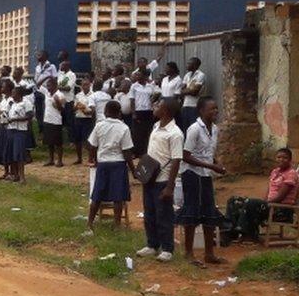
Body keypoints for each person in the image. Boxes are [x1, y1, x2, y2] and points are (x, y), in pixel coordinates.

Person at [176, 97, 227, 267]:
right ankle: (189, 253)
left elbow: (209, 151)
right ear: (201, 111)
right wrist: (211, 165)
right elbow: (186, 155)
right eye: (211, 109)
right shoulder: (194, 129)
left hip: (206, 174)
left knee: (209, 210)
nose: (215, 112)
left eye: (216, 109)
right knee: (192, 210)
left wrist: (216, 163)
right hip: (192, 173)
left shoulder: (215, 129)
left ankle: (209, 253)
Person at [136, 98, 184, 263]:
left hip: (163, 180)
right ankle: (152, 244)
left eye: (158, 105)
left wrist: (170, 187)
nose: (155, 107)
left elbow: (176, 160)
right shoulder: (156, 126)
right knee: (149, 213)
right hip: (150, 177)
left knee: (164, 215)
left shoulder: (175, 133)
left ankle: (167, 248)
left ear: (166, 111)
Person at [223, 148, 297, 244]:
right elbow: (269, 191)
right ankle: (230, 232)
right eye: (279, 157)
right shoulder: (275, 172)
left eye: (285, 158)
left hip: (281, 208)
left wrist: (264, 204)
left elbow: (280, 197)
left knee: (251, 203)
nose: (281, 160)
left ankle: (250, 235)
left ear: (290, 160)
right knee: (234, 200)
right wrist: (263, 203)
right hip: (270, 205)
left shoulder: (291, 174)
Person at [86, 100, 136, 233]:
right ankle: (117, 225)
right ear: (119, 113)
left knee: (97, 195)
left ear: (105, 112)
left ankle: (90, 223)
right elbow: (126, 152)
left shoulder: (99, 126)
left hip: (103, 163)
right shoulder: (124, 128)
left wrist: (93, 159)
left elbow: (92, 145)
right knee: (118, 197)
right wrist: (133, 170)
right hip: (119, 164)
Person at [5, 86, 33, 183]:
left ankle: (22, 177)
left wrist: (15, 119)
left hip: (20, 131)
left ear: (19, 94)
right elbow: (8, 115)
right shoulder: (12, 104)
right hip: (10, 130)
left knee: (19, 154)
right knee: (12, 154)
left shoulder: (26, 103)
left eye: (14, 93)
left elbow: (29, 116)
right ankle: (15, 175)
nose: (12, 95)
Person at [129, 70, 158, 157]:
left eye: (139, 75)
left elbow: (154, 97)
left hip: (148, 111)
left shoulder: (150, 86)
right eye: (136, 75)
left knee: (147, 131)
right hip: (138, 111)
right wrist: (133, 113)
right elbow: (132, 100)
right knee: (137, 132)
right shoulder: (134, 86)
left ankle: (145, 152)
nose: (137, 77)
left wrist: (153, 108)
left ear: (145, 76)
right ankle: (136, 152)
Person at [41, 77, 65, 167]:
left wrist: (57, 102)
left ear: (55, 86)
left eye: (49, 85)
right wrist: (47, 77)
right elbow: (38, 84)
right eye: (47, 86)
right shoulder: (47, 93)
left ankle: (60, 160)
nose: (48, 87)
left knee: (58, 143)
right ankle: (51, 159)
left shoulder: (60, 95)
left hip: (56, 121)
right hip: (47, 120)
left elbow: (62, 109)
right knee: (49, 142)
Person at [72, 77, 95, 165]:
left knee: (87, 140)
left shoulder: (92, 95)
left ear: (90, 85)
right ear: (81, 86)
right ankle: (79, 158)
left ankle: (91, 158)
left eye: (86, 85)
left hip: (88, 119)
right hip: (78, 118)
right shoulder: (78, 95)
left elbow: (93, 109)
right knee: (77, 140)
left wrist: (85, 109)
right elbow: (73, 109)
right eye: (83, 85)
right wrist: (77, 106)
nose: (85, 87)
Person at [33, 51, 57, 135]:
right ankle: (41, 129)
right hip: (39, 90)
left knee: (45, 110)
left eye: (39, 55)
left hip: (47, 90)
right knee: (38, 110)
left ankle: (47, 129)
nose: (37, 56)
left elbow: (54, 78)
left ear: (45, 56)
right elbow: (36, 79)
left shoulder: (51, 66)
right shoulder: (37, 67)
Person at [180, 57, 206, 131]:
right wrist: (189, 90)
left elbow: (195, 92)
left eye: (189, 63)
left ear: (194, 65)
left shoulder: (200, 75)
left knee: (194, 128)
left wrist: (187, 91)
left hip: (195, 106)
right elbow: (181, 91)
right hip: (185, 105)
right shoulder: (187, 75)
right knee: (185, 128)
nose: (187, 65)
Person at [57, 60, 76, 142]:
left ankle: (72, 140)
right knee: (61, 121)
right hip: (61, 101)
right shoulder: (61, 75)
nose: (60, 67)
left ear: (67, 66)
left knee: (69, 122)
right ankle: (62, 139)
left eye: (62, 66)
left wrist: (57, 88)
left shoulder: (71, 75)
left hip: (68, 101)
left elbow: (68, 88)